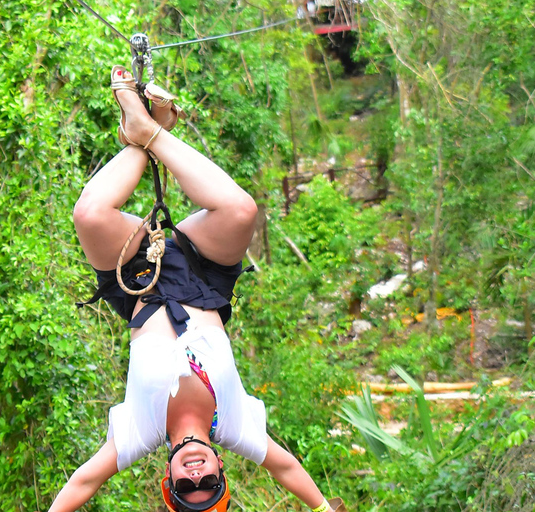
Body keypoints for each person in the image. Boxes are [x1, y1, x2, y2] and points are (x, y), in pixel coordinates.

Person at [49, 65, 339, 512]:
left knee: (89, 215)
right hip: (204, 278)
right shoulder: (238, 427)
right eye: (210, 484)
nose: (197, 474)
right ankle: (153, 133)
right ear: (223, 470)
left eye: (188, 487)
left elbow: (83, 484)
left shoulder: (138, 434)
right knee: (241, 210)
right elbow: (287, 469)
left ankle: (148, 132)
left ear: (169, 480)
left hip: (138, 282)